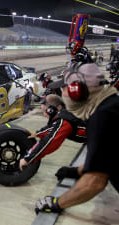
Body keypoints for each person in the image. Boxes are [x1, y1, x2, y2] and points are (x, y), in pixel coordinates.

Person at [34, 62, 119, 214]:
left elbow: (95, 182)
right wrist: (80, 171)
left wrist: (56, 203)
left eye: (65, 88)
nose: (62, 93)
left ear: (76, 91)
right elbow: (108, 159)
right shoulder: (110, 106)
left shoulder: (101, 118)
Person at [19, 94, 86, 171]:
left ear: (52, 109)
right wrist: (37, 133)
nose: (44, 115)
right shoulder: (64, 113)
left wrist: (27, 159)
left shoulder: (64, 121)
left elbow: (49, 142)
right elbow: (52, 126)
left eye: (45, 112)